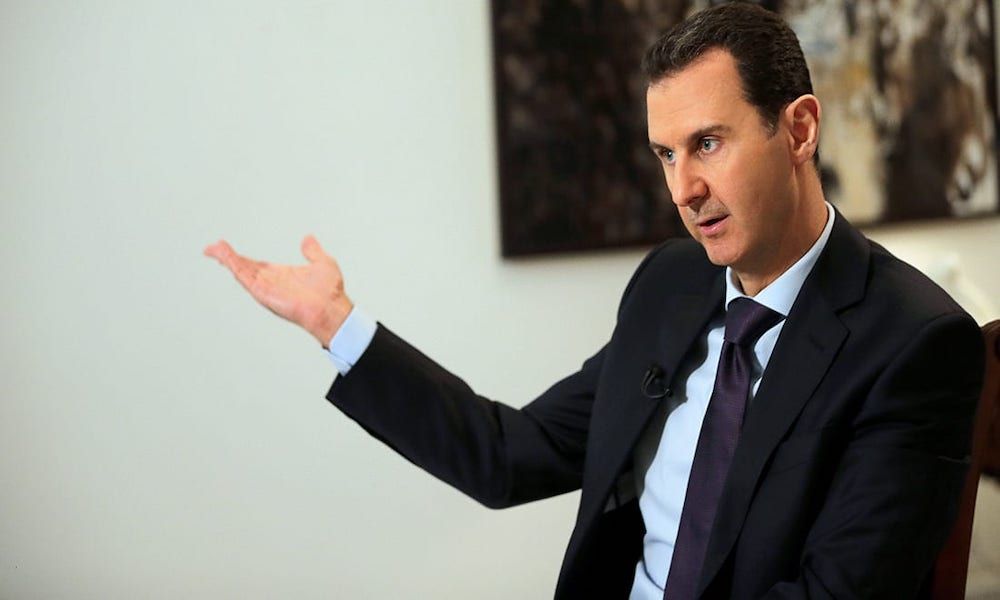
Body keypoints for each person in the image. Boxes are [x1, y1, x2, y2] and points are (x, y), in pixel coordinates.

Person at [204, 3, 985, 598]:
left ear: (800, 129)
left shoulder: (914, 342)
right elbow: (509, 454)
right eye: (666, 154)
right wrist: (337, 326)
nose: (684, 189)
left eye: (708, 143)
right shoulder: (671, 284)